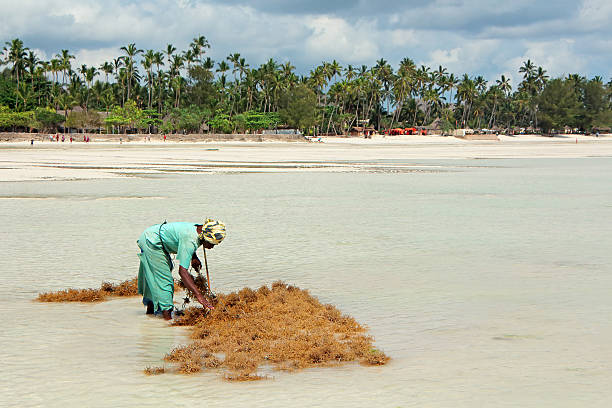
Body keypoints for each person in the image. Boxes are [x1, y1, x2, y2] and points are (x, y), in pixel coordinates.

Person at [137, 219, 226, 320]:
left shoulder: (199, 231)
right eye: (211, 243)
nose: (212, 247)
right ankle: (167, 322)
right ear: (205, 237)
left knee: (157, 276)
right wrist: (199, 296)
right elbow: (182, 272)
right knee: (165, 282)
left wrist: (193, 256)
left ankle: (151, 315)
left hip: (153, 235)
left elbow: (184, 240)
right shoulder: (191, 240)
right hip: (152, 241)